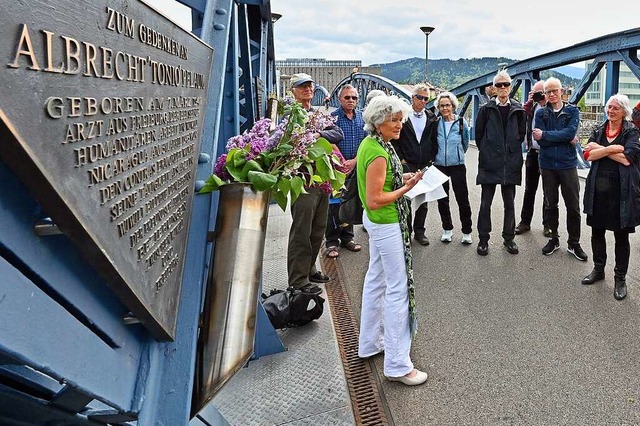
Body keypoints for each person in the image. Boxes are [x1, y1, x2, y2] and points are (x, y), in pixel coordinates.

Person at [356, 94, 428, 386]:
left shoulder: (373, 144)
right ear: (378, 121)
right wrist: (406, 188)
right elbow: (375, 199)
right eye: (394, 120)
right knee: (397, 290)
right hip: (385, 222)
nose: (399, 125)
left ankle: (370, 343)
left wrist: (402, 178)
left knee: (376, 279)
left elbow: (380, 185)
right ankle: (398, 365)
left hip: (376, 223)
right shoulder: (379, 152)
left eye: (401, 119)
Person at [286, 73, 344, 295]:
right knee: (301, 230)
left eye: (310, 85)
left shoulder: (317, 114)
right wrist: (317, 135)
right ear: (293, 90)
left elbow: (337, 133)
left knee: (317, 229)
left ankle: (309, 269)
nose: (308, 89)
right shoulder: (291, 116)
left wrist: (317, 133)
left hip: (322, 180)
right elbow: (291, 139)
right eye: (302, 86)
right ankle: (298, 280)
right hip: (303, 180)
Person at [581, 94, 640, 300]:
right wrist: (612, 148)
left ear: (624, 111)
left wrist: (600, 150)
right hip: (597, 190)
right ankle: (598, 269)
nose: (611, 111)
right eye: (609, 107)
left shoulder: (631, 131)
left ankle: (620, 278)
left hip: (621, 192)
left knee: (621, 236)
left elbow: (627, 160)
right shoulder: (599, 129)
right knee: (597, 231)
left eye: (615, 108)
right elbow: (587, 155)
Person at [532, 77, 588, 261]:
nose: (552, 94)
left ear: (561, 91)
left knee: (573, 205)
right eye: (548, 92)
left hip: (567, 164)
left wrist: (547, 135)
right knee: (550, 204)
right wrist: (561, 137)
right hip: (547, 164)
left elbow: (569, 133)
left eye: (555, 90)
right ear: (545, 94)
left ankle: (574, 243)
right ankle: (554, 238)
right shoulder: (541, 113)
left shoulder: (572, 110)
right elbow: (539, 139)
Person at [474, 69, 525, 256]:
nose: (502, 88)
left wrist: (509, 151)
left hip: (510, 162)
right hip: (490, 162)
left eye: (505, 84)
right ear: (494, 88)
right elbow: (478, 136)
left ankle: (509, 238)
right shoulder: (485, 110)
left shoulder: (518, 110)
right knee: (485, 203)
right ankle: (483, 239)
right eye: (499, 85)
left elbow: (521, 135)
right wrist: (489, 150)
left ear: (510, 87)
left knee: (509, 203)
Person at [391, 84, 437, 246]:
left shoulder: (432, 117)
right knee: (406, 200)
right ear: (413, 97)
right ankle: (407, 232)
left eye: (426, 99)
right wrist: (401, 159)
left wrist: (431, 159)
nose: (423, 101)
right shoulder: (403, 116)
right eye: (420, 97)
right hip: (407, 163)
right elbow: (395, 138)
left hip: (424, 164)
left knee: (423, 200)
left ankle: (420, 232)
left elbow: (434, 140)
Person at [325, 84, 366, 258]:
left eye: (354, 98)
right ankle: (332, 241)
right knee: (334, 204)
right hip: (337, 167)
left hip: (355, 166)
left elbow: (366, 141)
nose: (351, 100)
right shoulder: (332, 118)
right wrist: (342, 162)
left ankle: (348, 238)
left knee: (350, 201)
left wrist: (355, 161)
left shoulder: (362, 118)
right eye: (347, 97)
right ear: (339, 99)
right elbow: (328, 141)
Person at [432, 91, 473, 244]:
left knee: (462, 199)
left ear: (453, 106)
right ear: (438, 107)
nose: (445, 108)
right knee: (443, 199)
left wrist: (457, 155)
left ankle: (467, 231)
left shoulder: (461, 122)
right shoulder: (436, 123)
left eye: (447, 105)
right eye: (442, 106)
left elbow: (465, 143)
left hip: (457, 166)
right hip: (440, 166)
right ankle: (447, 229)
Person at [515, 81, 549, 236]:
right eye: (535, 93)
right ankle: (525, 222)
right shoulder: (532, 107)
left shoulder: (551, 107)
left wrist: (545, 101)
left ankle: (547, 224)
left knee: (548, 191)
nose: (538, 95)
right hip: (533, 153)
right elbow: (520, 115)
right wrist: (529, 101)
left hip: (548, 153)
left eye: (540, 92)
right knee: (529, 190)